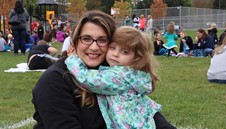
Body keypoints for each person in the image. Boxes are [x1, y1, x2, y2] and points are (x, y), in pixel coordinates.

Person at [32, 10, 175, 129]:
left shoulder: (113, 70)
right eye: (86, 39)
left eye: (102, 40)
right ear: (75, 41)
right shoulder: (54, 80)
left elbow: (143, 108)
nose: (94, 47)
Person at [65, 26, 162, 128]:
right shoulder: (133, 74)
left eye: (124, 52)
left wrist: (72, 59)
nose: (115, 54)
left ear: (136, 58)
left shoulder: (120, 77)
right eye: (112, 47)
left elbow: (87, 78)